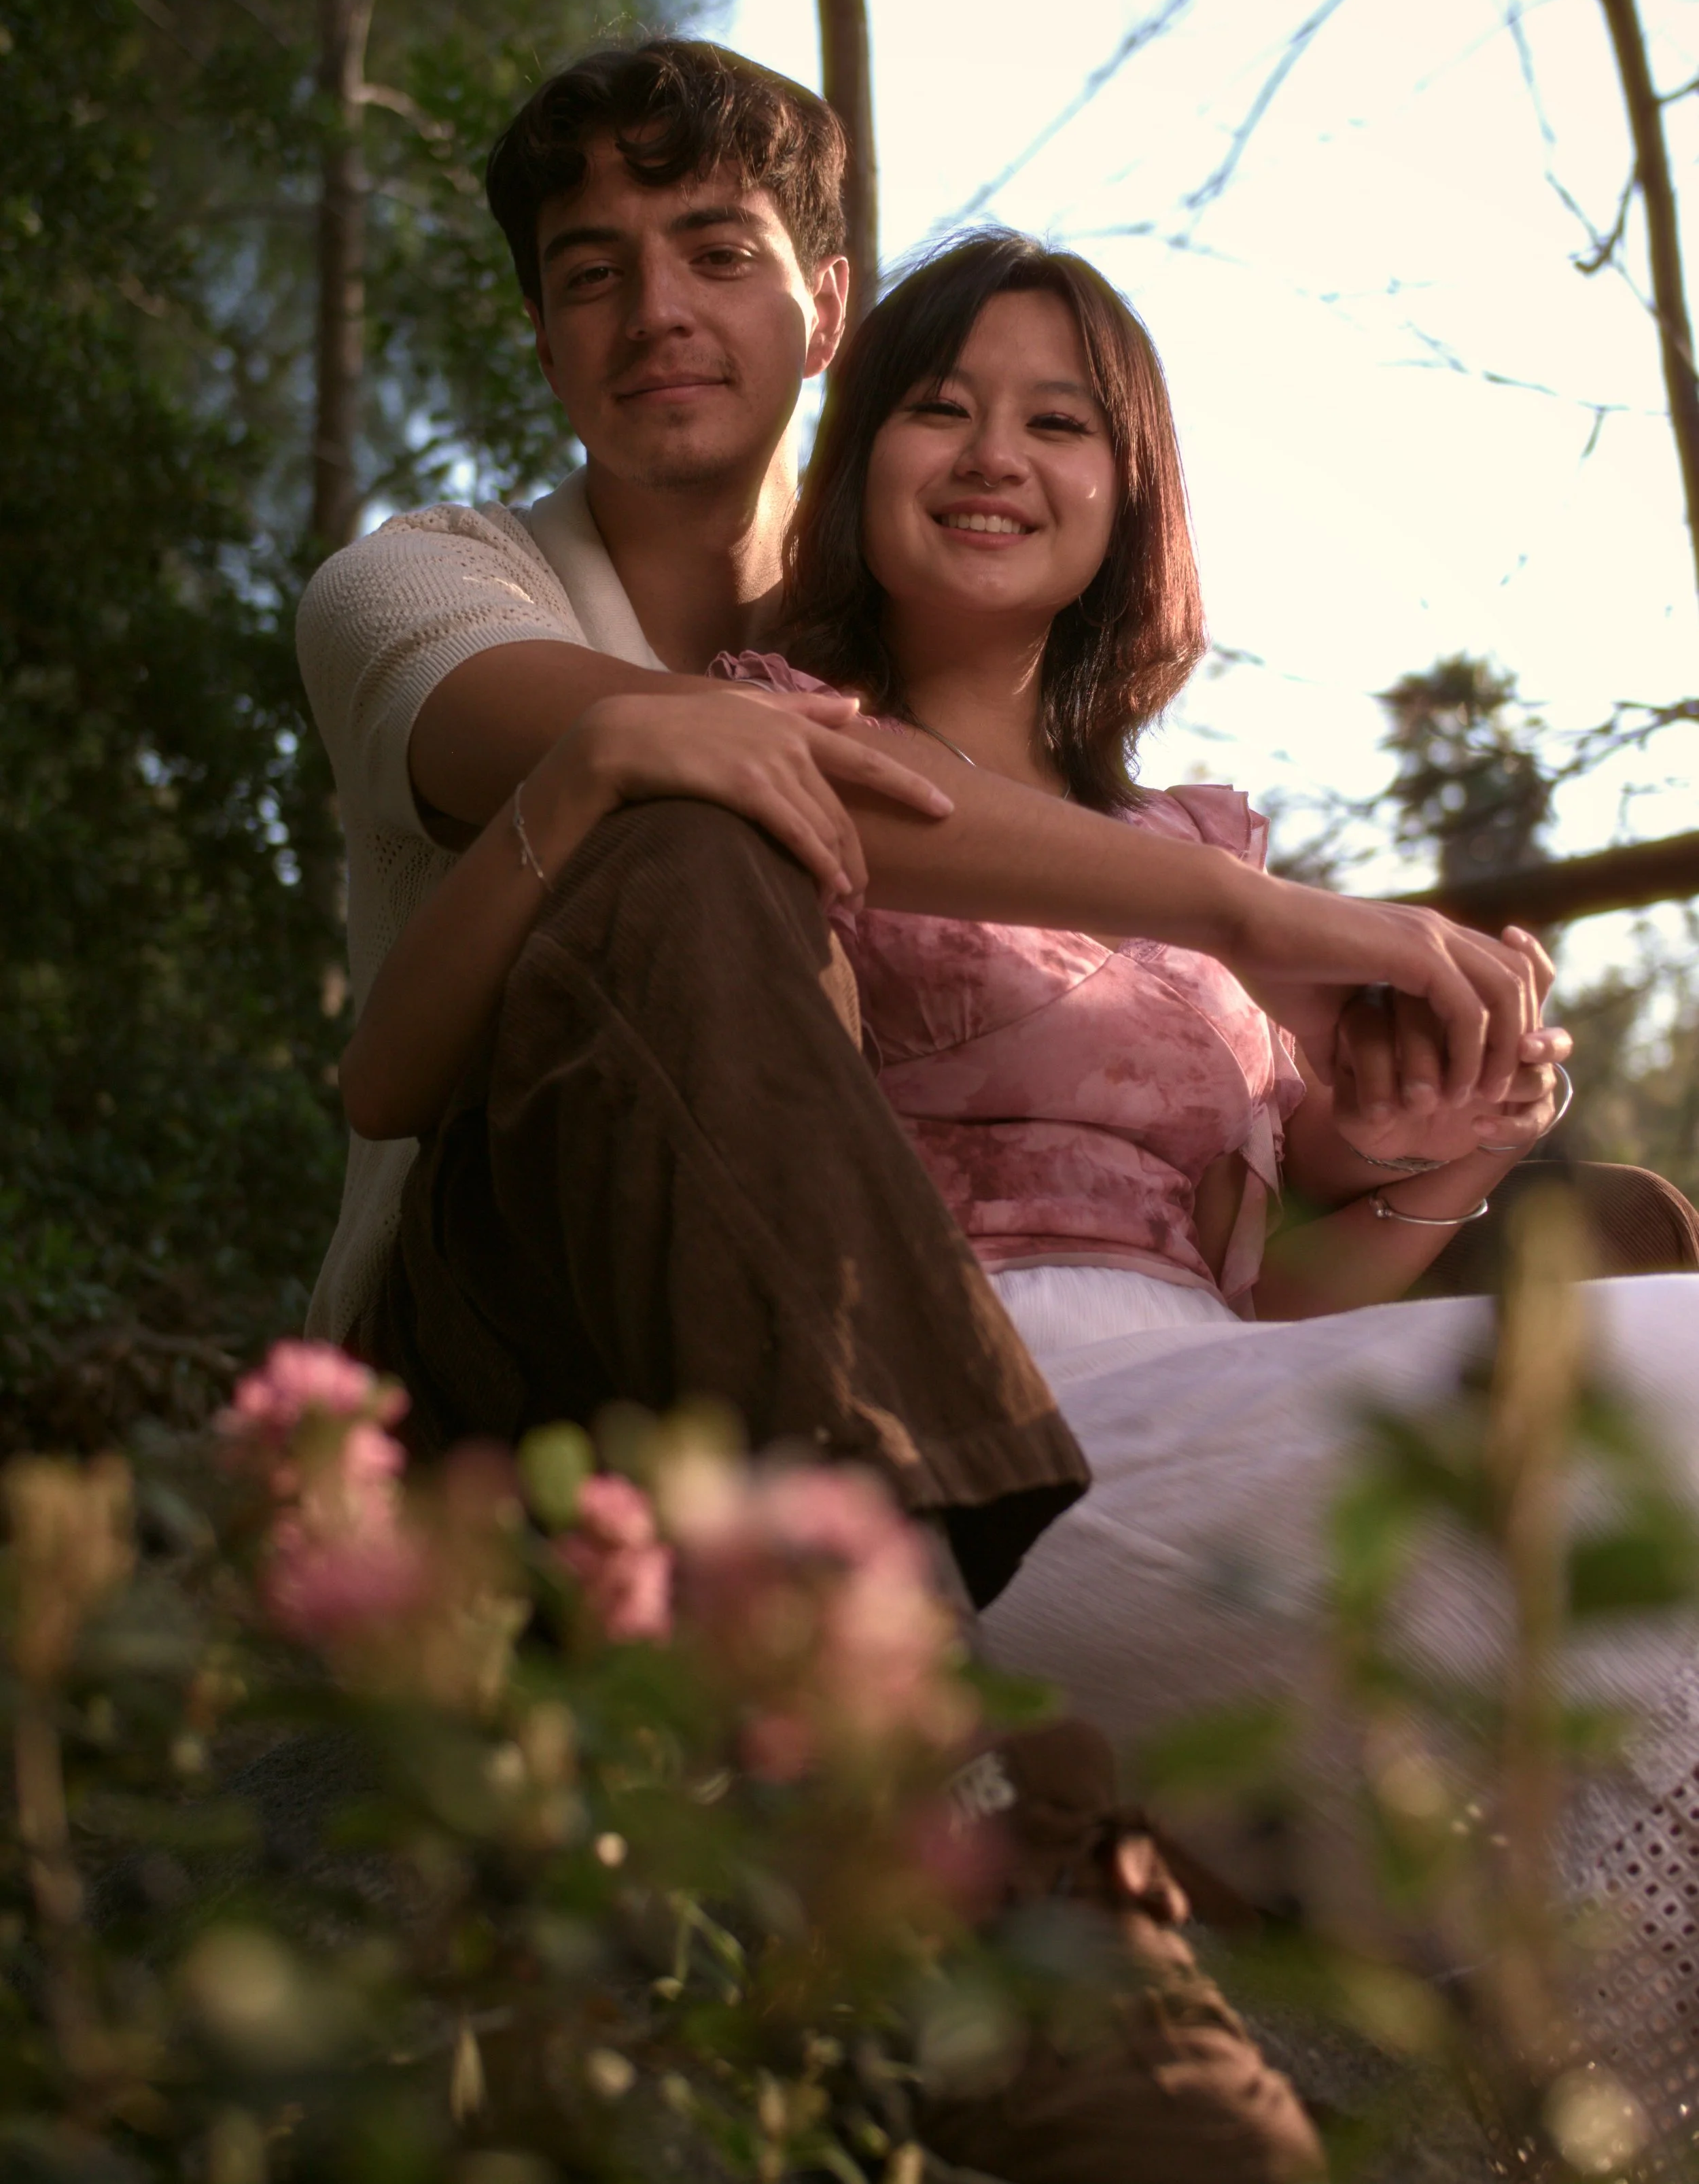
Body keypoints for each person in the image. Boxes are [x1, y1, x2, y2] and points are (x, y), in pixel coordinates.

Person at [332, 218, 1699, 2153]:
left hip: (1170, 1406)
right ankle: (942, 1788)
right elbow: (410, 1073)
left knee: (1651, 1295)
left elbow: (1239, 1324)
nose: (993, 454)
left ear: (1126, 498)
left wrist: (1412, 1177)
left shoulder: (1191, 842)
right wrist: (1279, 924)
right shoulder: (758, 729)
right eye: (940, 408)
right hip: (889, 1409)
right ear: (859, 447)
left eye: (1059, 421)